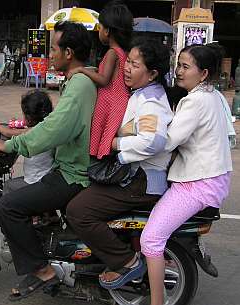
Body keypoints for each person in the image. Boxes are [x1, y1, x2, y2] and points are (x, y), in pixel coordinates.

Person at [0, 21, 97, 301]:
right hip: (72, 168)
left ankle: (42, 270)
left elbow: (53, 130)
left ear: (69, 53)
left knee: (8, 206)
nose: (50, 54)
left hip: (73, 174)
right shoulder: (81, 81)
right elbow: (52, 122)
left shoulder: (79, 85)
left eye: (53, 48)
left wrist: (12, 144)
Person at [66, 37, 173, 289]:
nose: (127, 68)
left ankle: (126, 261)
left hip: (141, 181)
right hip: (135, 176)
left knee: (78, 211)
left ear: (153, 73)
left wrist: (115, 146)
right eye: (128, 62)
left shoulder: (151, 102)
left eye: (135, 65)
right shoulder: (141, 93)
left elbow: (152, 142)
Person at [139, 44, 232, 305]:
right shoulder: (213, 95)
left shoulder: (195, 101)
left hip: (197, 183)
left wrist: (130, 133)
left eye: (185, 66)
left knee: (151, 239)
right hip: (212, 178)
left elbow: (167, 141)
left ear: (203, 74)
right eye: (178, 64)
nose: (178, 71)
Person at [68, 2, 133, 159]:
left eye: (100, 27)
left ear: (108, 31)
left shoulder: (112, 52)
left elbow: (104, 80)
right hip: (118, 100)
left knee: (99, 134)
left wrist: (82, 69)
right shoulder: (122, 52)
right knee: (107, 136)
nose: (99, 31)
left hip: (109, 101)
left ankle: (97, 166)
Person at [0, 89, 54, 193]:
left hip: (35, 181)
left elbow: (8, 133)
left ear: (29, 118)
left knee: (9, 186)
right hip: (43, 178)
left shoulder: (35, 132)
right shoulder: (46, 127)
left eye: (24, 115)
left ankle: (5, 209)